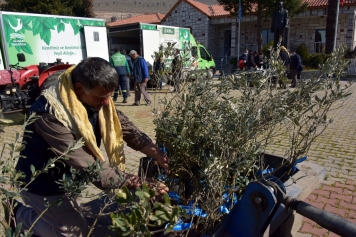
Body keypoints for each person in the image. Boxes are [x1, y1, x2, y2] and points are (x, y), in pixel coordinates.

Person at [11, 57, 168, 236]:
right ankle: (20, 214)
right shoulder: (50, 114)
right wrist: (138, 183)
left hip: (67, 179)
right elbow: (87, 166)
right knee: (75, 233)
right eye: (101, 97)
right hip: (42, 183)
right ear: (79, 88)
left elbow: (128, 130)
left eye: (109, 96)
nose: (107, 103)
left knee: (69, 219)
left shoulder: (92, 100)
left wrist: (158, 155)